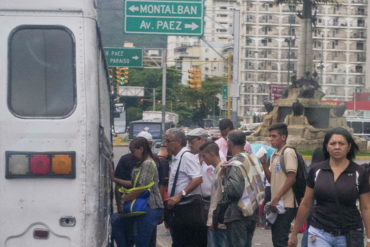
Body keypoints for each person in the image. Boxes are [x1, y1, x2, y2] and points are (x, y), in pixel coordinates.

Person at [288, 127, 370, 247]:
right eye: (333, 143)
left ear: (349, 146)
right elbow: (306, 203)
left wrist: (369, 239)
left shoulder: (359, 172)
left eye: (341, 143)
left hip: (349, 234)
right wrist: (294, 233)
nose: (337, 147)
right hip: (319, 232)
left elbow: (366, 207)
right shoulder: (316, 170)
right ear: (326, 146)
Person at [111, 131, 158, 247]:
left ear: (141, 149)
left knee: (141, 240)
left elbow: (140, 187)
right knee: (117, 223)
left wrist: (123, 199)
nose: (132, 154)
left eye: (133, 151)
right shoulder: (142, 162)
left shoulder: (147, 163)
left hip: (148, 206)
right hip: (139, 206)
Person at [260, 123, 298, 247]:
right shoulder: (274, 155)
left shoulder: (288, 152)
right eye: (270, 136)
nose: (271, 139)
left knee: (281, 239)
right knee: (277, 239)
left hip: (286, 204)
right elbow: (272, 180)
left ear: (283, 137)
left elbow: (292, 178)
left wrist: (277, 197)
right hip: (276, 204)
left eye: (274, 136)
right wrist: (265, 165)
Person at [165, 128, 204, 247]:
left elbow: (198, 178)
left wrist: (179, 195)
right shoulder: (176, 158)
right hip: (179, 210)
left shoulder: (186, 157)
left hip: (187, 209)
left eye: (168, 141)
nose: (165, 144)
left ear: (178, 142)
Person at [220, 130, 258, 247]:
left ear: (228, 143)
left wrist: (223, 177)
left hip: (238, 215)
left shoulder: (235, 163)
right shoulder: (251, 158)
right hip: (252, 211)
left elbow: (234, 191)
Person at [199, 141, 228, 247]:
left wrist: (215, 220)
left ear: (212, 154)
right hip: (214, 220)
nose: (202, 159)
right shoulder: (217, 170)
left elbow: (223, 198)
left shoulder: (223, 170)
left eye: (204, 156)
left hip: (218, 222)